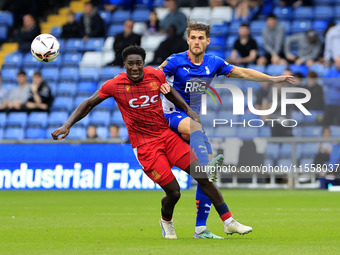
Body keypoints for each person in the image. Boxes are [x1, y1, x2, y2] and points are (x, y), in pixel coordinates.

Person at [51, 45, 253, 239]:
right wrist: (67, 125)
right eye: (131, 64)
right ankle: (166, 221)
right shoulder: (114, 85)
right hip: (146, 147)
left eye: (139, 63)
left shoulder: (155, 76)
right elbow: (88, 103)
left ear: (143, 63)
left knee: (203, 176)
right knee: (174, 193)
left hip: (167, 137)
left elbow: (170, 92)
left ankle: (228, 221)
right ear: (125, 65)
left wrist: (187, 110)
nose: (135, 67)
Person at [159, 20, 294, 238]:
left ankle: (200, 229)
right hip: (170, 116)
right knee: (197, 136)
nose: (196, 41)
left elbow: (244, 73)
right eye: (193, 37)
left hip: (192, 120)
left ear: (207, 41)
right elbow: (153, 76)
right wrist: (157, 83)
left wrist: (272, 78)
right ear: (188, 40)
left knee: (206, 177)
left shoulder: (214, 63)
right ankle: (208, 170)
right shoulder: (175, 61)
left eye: (200, 38)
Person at [323, 56, 340, 126]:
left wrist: (333, 82)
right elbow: (324, 80)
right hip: (330, 103)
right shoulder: (331, 72)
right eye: (337, 62)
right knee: (326, 124)